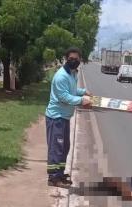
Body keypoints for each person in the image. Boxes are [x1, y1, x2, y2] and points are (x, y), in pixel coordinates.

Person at [45, 47, 92, 188]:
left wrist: (83, 92)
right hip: (56, 118)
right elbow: (64, 97)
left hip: (64, 117)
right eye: (71, 59)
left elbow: (71, 91)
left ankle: (60, 173)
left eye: (76, 59)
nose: (74, 61)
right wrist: (81, 100)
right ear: (66, 59)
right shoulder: (61, 76)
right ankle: (53, 178)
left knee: (64, 147)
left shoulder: (72, 74)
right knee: (56, 148)